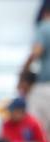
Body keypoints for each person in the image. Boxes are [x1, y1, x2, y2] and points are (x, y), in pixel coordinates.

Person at [23, 4, 50, 133]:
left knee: (37, 129)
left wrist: (24, 70)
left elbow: (36, 52)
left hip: (45, 86)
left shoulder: (44, 27)